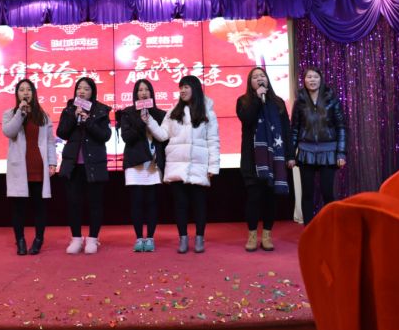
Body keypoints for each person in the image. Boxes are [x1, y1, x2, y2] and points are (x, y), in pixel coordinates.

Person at [146, 75, 219, 254]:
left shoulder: (207, 113)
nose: (182, 91)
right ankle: (183, 238)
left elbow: (213, 141)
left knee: (199, 204)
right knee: (180, 204)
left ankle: (199, 238)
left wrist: (213, 166)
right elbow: (162, 135)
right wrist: (149, 121)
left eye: (186, 87)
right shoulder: (173, 112)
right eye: (181, 88)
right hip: (176, 165)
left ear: (195, 88)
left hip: (198, 165)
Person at [236, 66, 293, 251]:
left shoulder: (278, 102)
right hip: (252, 159)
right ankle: (252, 236)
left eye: (262, 76)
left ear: (267, 80)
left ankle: (267, 235)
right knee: (253, 198)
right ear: (250, 83)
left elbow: (286, 130)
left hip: (274, 158)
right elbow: (247, 119)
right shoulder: (243, 101)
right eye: (255, 77)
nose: (259, 78)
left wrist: (290, 155)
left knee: (270, 199)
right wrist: (257, 99)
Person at [56, 76, 112, 254]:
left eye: (86, 89)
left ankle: (93, 239)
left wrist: (88, 120)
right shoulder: (69, 109)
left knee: (95, 203)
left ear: (92, 92)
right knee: (74, 203)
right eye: (79, 88)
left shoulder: (101, 110)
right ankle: (76, 239)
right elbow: (62, 133)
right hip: (73, 165)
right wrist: (74, 117)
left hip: (94, 164)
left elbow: (105, 136)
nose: (82, 91)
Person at [1, 79, 57, 255]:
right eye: (21, 90)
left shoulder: (43, 116)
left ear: (34, 93)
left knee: (40, 207)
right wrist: (21, 113)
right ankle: (20, 241)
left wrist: (52, 162)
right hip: (20, 168)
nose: (25, 92)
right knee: (18, 208)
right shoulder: (10, 114)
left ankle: (39, 239)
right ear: (17, 94)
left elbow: (50, 142)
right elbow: (9, 132)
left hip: (38, 167)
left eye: (29, 90)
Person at [288, 66, 346, 226]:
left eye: (315, 77)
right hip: (305, 152)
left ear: (321, 79)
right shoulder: (299, 101)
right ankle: (308, 229)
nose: (312, 80)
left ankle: (330, 226)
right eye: (309, 77)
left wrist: (341, 153)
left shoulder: (331, 99)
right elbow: (294, 129)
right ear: (304, 80)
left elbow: (341, 127)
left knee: (327, 192)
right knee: (307, 194)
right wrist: (291, 155)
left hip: (328, 152)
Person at [117, 79, 167, 252]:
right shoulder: (128, 113)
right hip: (135, 164)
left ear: (151, 93)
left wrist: (150, 120)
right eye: (140, 90)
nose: (143, 93)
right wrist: (141, 121)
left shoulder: (160, 114)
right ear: (135, 94)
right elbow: (127, 138)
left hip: (153, 163)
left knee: (152, 201)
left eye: (146, 90)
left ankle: (150, 238)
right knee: (136, 202)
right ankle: (139, 238)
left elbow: (164, 138)